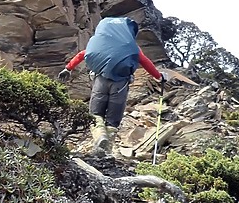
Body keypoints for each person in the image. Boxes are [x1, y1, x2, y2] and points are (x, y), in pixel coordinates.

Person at [58, 16, 167, 155]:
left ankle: (100, 137)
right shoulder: (130, 47)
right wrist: (159, 77)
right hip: (120, 85)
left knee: (95, 113)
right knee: (113, 119)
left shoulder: (101, 43)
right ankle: (106, 151)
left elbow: (82, 54)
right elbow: (145, 62)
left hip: (100, 81)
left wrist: (68, 68)